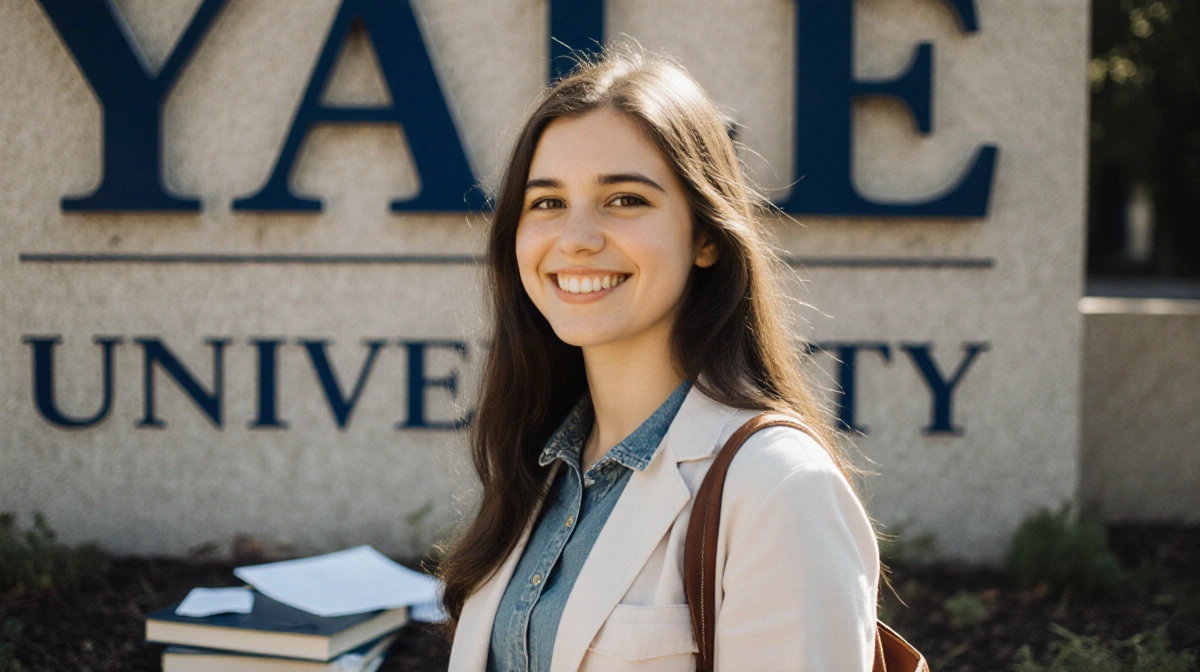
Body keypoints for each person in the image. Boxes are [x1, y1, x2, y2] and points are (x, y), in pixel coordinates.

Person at [439, 48, 879, 671]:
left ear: (705, 237)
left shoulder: (780, 488)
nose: (577, 239)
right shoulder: (538, 469)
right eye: (547, 202)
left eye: (624, 200)